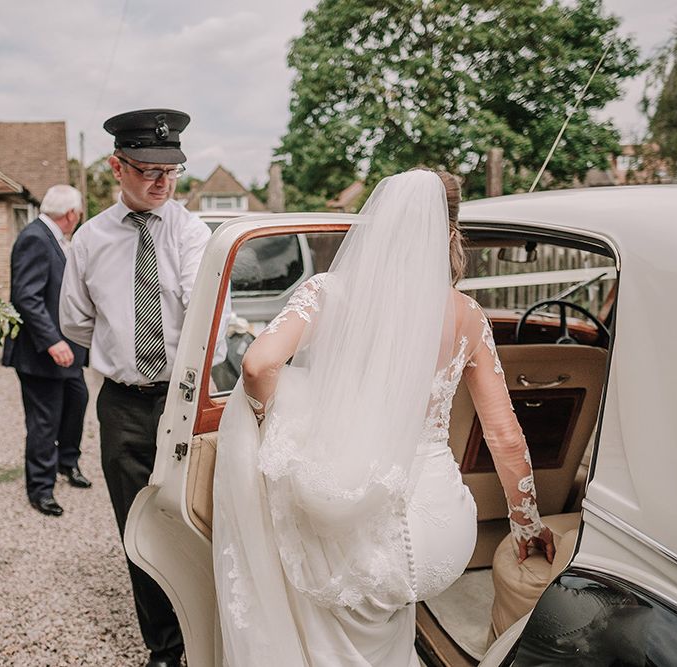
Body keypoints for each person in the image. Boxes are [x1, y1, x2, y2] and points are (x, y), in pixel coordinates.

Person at [212, 169, 555, 665]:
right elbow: (504, 436)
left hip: (361, 537)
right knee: (392, 623)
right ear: (450, 233)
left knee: (304, 554)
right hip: (444, 537)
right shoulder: (467, 315)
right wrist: (526, 525)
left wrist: (273, 425)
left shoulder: (329, 293)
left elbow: (258, 365)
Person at [59, 109, 230, 667]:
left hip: (187, 398)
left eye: (172, 171)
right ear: (117, 166)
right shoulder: (87, 241)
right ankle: (165, 645)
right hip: (125, 405)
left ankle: (212, 630)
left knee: (200, 519)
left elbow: (212, 320)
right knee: (138, 524)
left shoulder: (193, 233)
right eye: (147, 170)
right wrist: (124, 350)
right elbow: (75, 323)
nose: (161, 182)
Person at [2, 185, 90, 518]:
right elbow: (27, 297)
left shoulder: (55, 238)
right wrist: (53, 341)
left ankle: (68, 462)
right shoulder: (35, 238)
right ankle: (40, 488)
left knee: (77, 401)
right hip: (42, 353)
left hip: (69, 351)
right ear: (71, 214)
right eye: (79, 213)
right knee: (44, 421)